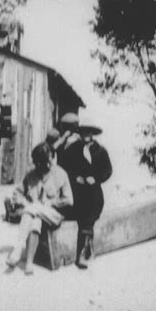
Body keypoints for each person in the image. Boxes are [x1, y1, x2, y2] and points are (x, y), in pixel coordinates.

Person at [5, 142, 73, 275]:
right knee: (34, 221)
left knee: (33, 209)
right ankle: (29, 264)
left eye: (44, 163)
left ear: (49, 161)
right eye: (38, 164)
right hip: (34, 213)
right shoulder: (31, 175)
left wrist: (52, 203)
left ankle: (17, 250)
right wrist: (22, 200)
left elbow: (69, 200)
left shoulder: (60, 174)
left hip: (54, 215)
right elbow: (18, 193)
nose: (42, 167)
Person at [56, 113, 112, 269]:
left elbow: (107, 171)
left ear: (93, 134)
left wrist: (96, 179)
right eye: (83, 131)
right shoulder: (74, 148)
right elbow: (65, 168)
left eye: (89, 132)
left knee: (87, 218)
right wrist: (76, 178)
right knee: (73, 212)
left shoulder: (100, 151)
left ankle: (83, 253)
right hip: (78, 193)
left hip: (93, 194)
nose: (86, 135)